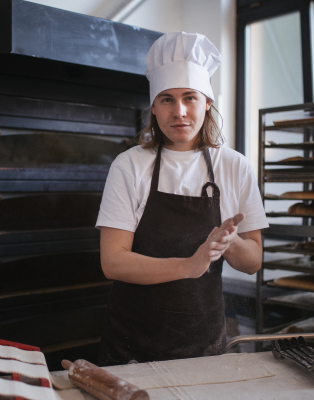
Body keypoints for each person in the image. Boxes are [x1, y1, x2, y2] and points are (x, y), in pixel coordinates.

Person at [95, 31, 268, 366]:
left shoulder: (233, 166)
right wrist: (190, 266)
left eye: (190, 97)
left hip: (203, 347)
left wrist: (228, 241)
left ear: (207, 103)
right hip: (131, 348)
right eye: (167, 100)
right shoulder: (130, 165)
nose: (180, 112)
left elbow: (254, 262)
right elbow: (112, 262)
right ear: (154, 109)